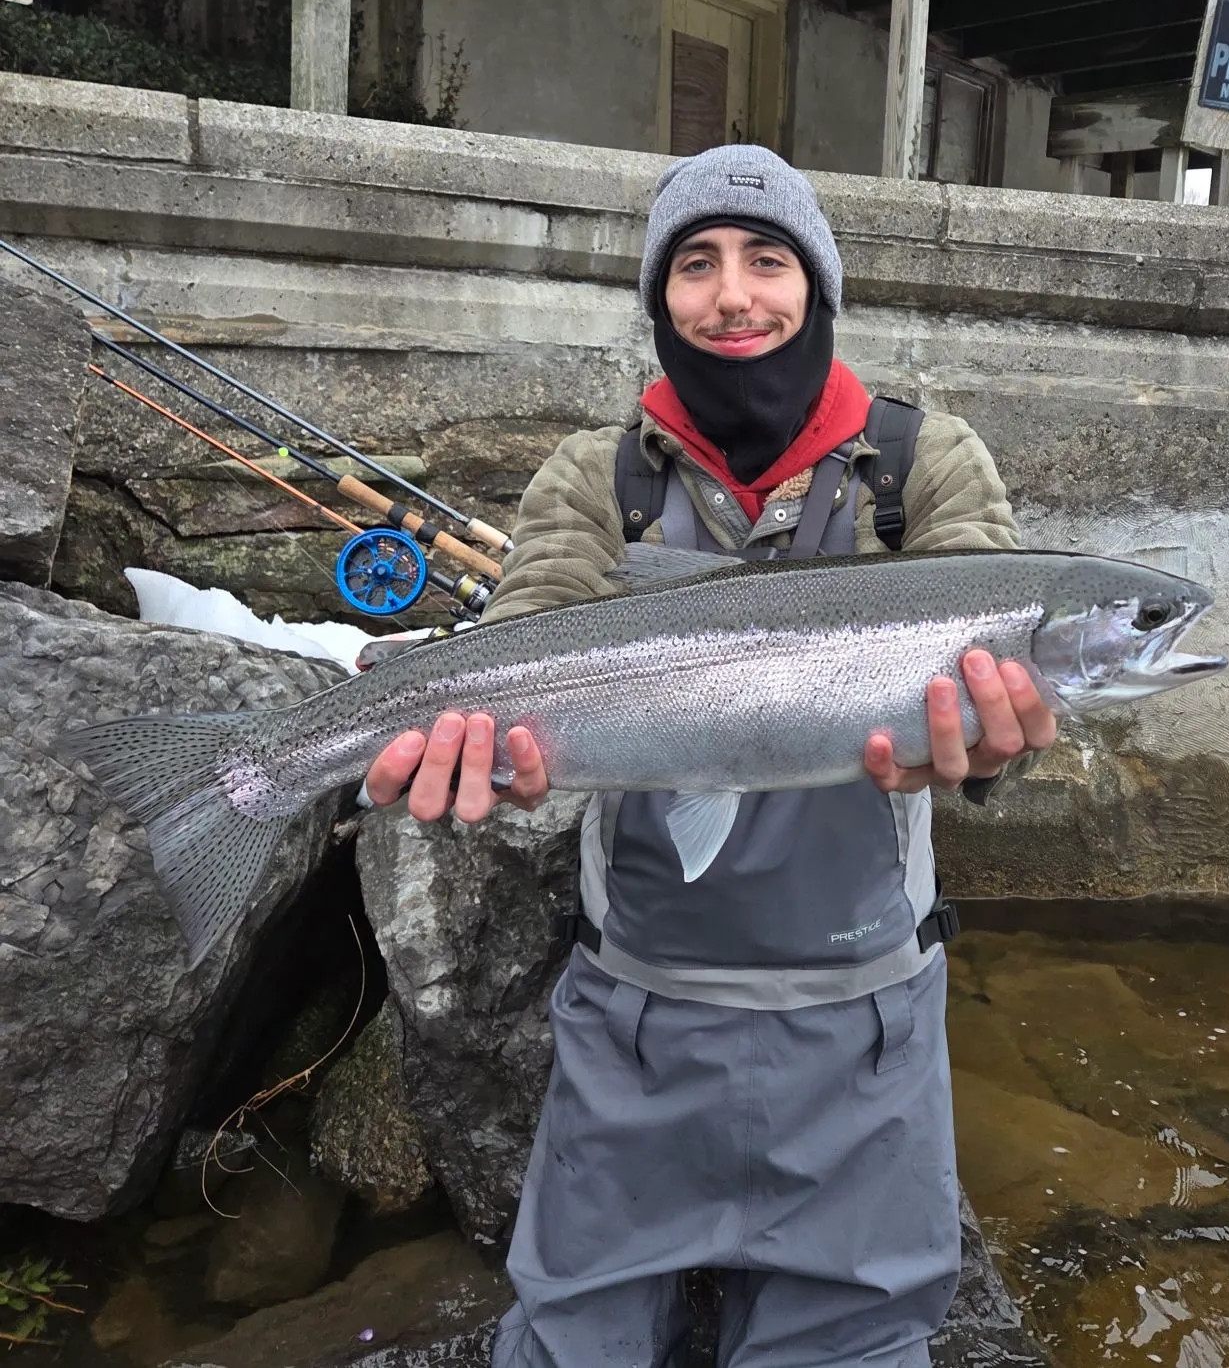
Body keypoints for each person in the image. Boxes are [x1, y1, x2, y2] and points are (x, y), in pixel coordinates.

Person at [364, 145, 1056, 1367]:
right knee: (571, 1344)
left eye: (767, 260)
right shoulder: (598, 476)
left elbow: (991, 698)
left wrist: (988, 754)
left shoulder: (924, 467)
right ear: (661, 298)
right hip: (634, 1017)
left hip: (864, 1026)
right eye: (696, 264)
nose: (733, 295)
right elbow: (529, 637)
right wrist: (491, 759)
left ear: (817, 287)